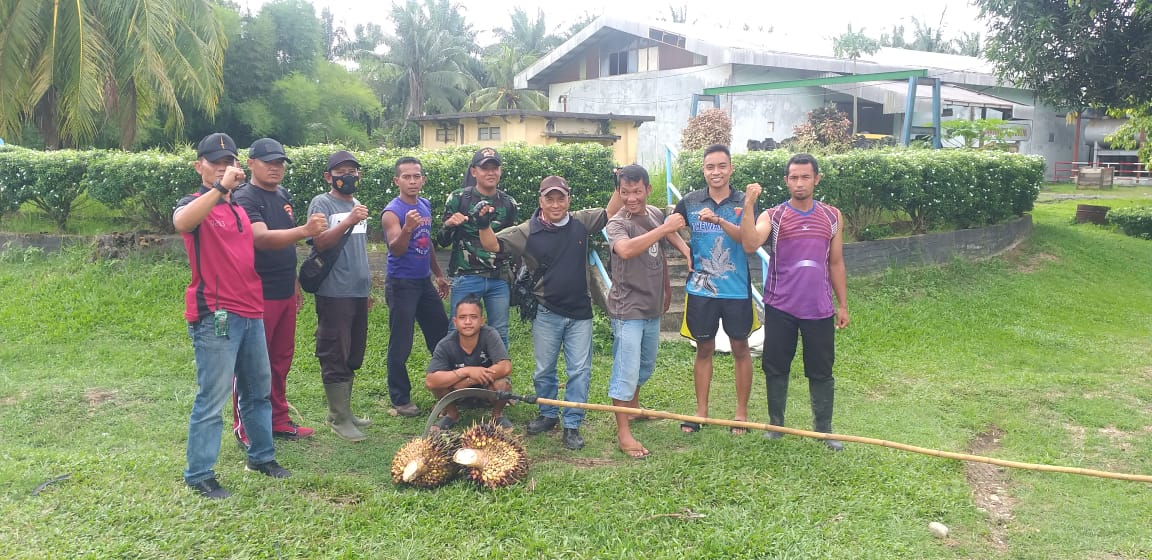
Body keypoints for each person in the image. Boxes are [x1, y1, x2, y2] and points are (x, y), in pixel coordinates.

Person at [174, 132, 291, 499]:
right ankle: (199, 473)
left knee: (258, 391)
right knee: (213, 396)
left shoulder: (239, 209)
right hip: (216, 315)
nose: (224, 168)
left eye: (229, 162)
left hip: (251, 310)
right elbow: (181, 222)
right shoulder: (195, 204)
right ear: (200, 167)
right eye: (215, 163)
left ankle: (261, 456)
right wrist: (218, 189)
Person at [478, 176, 622, 450]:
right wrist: (483, 224)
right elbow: (491, 245)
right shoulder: (527, 231)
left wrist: (619, 182)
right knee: (544, 371)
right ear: (540, 200)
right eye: (549, 198)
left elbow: (610, 212)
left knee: (579, 371)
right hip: (546, 311)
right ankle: (547, 414)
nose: (556, 204)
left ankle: (572, 424)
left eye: (561, 198)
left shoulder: (581, 221)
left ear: (569, 199)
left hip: (581, 312)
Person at [740, 153, 850, 451]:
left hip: (819, 309)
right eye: (793, 177)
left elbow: (836, 262)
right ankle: (776, 425)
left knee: (821, 369)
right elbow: (750, 243)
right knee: (776, 366)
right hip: (780, 306)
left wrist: (843, 305)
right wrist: (749, 206)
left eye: (805, 177)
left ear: (817, 179)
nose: (799, 183)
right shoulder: (773, 216)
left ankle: (823, 430)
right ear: (786, 180)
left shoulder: (832, 216)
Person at [230, 138, 327, 446]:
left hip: (284, 288)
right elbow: (260, 238)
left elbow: (285, 244)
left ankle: (278, 419)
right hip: (257, 291)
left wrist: (294, 282)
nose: (275, 167)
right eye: (268, 162)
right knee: (252, 363)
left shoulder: (282, 195)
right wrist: (306, 231)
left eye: (280, 162)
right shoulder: (245, 197)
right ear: (250, 163)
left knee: (281, 358)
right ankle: (245, 426)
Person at [605, 164, 691, 458]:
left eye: (637, 191)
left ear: (648, 189)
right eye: (625, 192)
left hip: (652, 306)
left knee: (645, 365)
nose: (631, 198)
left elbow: (668, 234)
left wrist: (686, 251)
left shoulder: (653, 212)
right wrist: (666, 228)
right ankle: (623, 434)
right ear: (619, 192)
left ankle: (633, 409)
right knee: (625, 370)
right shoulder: (616, 223)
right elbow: (626, 250)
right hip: (627, 308)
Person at [673, 144, 756, 435]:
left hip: (735, 290)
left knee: (740, 347)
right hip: (701, 290)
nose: (716, 172)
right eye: (710, 167)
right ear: (703, 170)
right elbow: (670, 225)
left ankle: (741, 415)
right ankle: (701, 412)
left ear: (730, 168)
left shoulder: (745, 201)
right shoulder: (691, 202)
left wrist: (719, 220)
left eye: (722, 166)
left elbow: (747, 240)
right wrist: (685, 250)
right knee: (704, 348)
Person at [307, 150, 372, 442]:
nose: (349, 176)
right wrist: (346, 221)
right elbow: (319, 242)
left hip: (358, 292)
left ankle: (345, 410)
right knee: (334, 350)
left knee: (353, 352)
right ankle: (338, 417)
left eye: (353, 171)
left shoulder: (357, 203)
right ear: (329, 176)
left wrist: (367, 289)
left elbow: (357, 252)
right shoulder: (322, 203)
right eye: (342, 171)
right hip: (334, 292)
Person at [380, 156, 450, 418]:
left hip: (423, 283)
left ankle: (448, 388)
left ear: (423, 179)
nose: (412, 181)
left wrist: (439, 275)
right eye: (406, 177)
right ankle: (400, 398)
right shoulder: (392, 212)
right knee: (401, 342)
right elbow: (396, 249)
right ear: (396, 180)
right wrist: (407, 228)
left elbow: (427, 241)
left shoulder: (425, 204)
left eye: (416, 176)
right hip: (401, 284)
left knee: (441, 335)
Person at [438, 147, 520, 350]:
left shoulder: (508, 203)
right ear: (474, 171)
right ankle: (454, 377)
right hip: (466, 276)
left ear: (500, 171)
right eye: (485, 168)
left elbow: (512, 243)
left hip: (498, 278)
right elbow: (442, 241)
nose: (490, 173)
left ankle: (499, 377)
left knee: (500, 331)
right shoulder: (458, 199)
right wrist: (449, 225)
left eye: (495, 168)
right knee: (457, 330)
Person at [424, 295, 513, 430]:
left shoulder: (490, 335)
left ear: (482, 320)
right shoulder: (445, 344)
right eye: (462, 317)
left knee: (502, 384)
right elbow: (430, 381)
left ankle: (497, 415)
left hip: (486, 388)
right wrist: (465, 371)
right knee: (438, 383)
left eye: (473, 317)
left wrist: (469, 380)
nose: (467, 322)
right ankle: (452, 414)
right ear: (454, 322)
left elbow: (505, 366)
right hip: (455, 391)